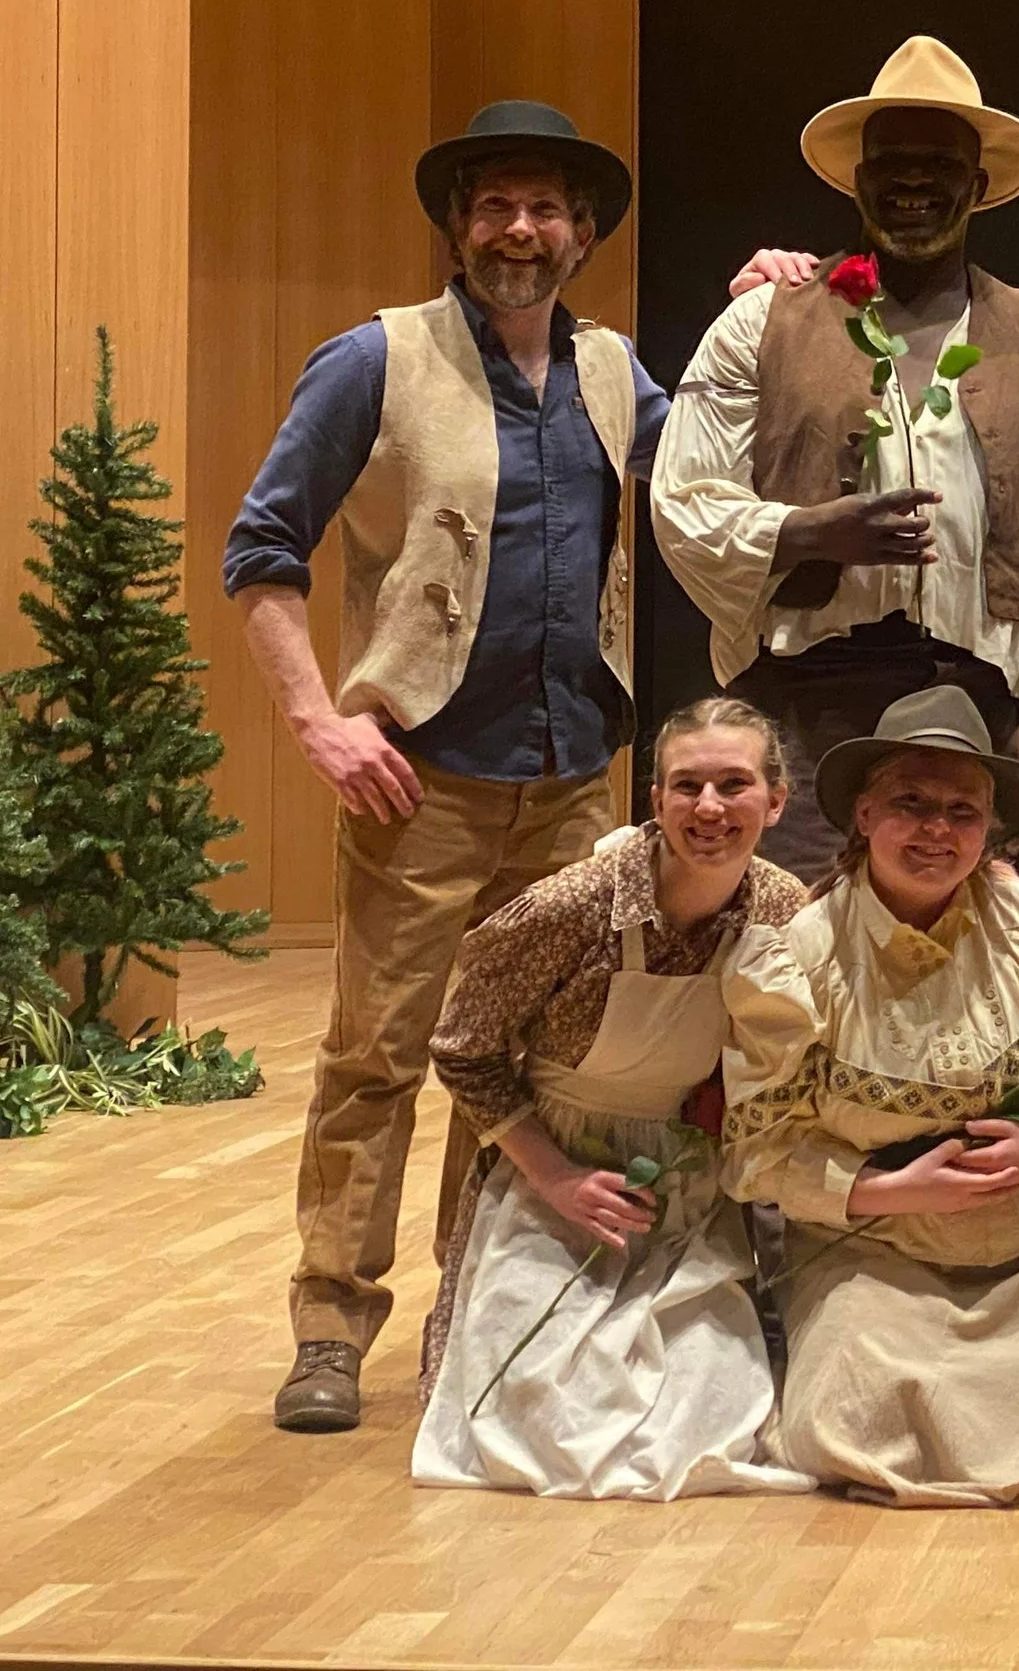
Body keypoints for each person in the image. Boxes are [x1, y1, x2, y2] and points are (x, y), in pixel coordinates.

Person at [225, 100, 671, 1433]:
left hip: (573, 776)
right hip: (421, 778)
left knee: (526, 1063)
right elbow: (261, 552)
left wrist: (772, 300)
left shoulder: (614, 373)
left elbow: (712, 468)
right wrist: (320, 719)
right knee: (379, 1053)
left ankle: (477, 1308)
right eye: (496, 206)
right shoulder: (373, 359)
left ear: (582, 232)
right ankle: (328, 1318)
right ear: (458, 227)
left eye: (547, 209)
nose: (521, 231)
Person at [652, 36, 1019, 882]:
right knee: (794, 959)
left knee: (964, 968)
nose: (913, 181)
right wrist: (804, 534)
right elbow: (682, 499)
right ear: (857, 179)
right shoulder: (761, 325)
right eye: (891, 162)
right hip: (803, 696)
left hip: (985, 705)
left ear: (977, 186)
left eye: (938, 162)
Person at [717, 686, 1019, 1507]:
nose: (936, 829)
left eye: (962, 811)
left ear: (990, 827)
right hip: (875, 1257)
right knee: (849, 1416)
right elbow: (756, 1150)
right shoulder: (799, 960)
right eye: (911, 804)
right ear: (863, 815)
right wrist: (890, 1190)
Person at [411, 700, 814, 1500]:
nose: (708, 808)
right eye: (686, 785)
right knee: (534, 1418)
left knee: (711, 1407)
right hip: (551, 1171)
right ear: (655, 799)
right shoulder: (571, 908)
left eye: (734, 784)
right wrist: (555, 1177)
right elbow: (463, 1047)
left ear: (775, 801)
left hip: (687, 1184)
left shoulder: (780, 907)